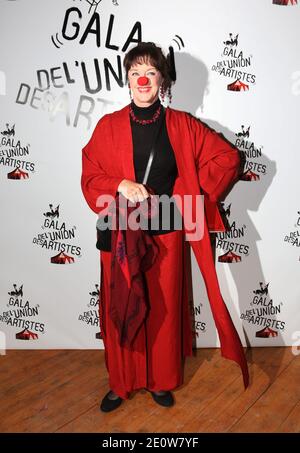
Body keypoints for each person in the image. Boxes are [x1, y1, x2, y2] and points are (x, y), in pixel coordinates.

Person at [81, 42, 249, 413]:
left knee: (162, 311)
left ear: (162, 79)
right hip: (119, 235)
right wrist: (119, 185)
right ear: (127, 79)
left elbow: (228, 159)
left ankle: (159, 381)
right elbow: (90, 174)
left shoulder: (182, 125)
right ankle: (122, 383)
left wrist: (191, 194)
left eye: (150, 72)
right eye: (135, 72)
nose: (142, 79)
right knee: (123, 308)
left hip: (166, 235)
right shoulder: (107, 127)